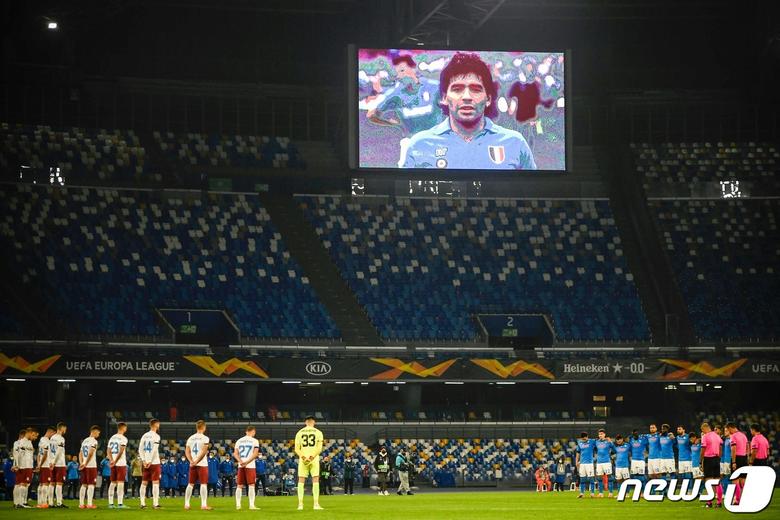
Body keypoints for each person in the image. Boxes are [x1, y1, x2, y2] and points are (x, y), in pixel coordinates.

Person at [401, 52, 536, 170]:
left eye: (476, 89)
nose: (466, 97)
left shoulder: (515, 143)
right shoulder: (420, 144)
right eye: (457, 89)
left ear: (488, 98)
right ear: (444, 97)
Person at [294, 415, 324, 510]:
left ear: (305, 422)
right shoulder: (318, 432)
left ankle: (300, 504)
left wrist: (303, 457)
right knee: (315, 480)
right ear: (314, 422)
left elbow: (296, 449)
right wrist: (311, 457)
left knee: (301, 480)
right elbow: (319, 449)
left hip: (303, 458)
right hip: (314, 458)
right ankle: (315, 504)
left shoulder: (299, 433)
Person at [184, 420, 212, 510]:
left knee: (190, 484)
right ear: (204, 428)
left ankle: (187, 504)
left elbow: (187, 451)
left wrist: (191, 461)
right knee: (203, 484)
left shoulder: (190, 438)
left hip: (192, 464)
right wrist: (197, 461)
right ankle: (203, 505)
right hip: (202, 464)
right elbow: (204, 451)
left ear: (196, 427)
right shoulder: (205, 438)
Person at [233, 425, 259, 510]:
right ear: (253, 431)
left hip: (241, 465)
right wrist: (247, 462)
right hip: (250, 465)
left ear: (246, 431)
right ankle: (251, 505)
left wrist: (240, 461)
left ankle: (238, 505)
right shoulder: (255, 441)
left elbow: (235, 453)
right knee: (251, 485)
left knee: (239, 485)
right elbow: (255, 454)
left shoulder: (239, 441)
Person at [139, 418, 162, 509]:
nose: (159, 425)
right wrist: (150, 461)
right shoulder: (156, 436)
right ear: (155, 425)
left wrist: (144, 460)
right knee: (155, 482)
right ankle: (155, 503)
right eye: (158, 424)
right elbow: (154, 449)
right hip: (154, 462)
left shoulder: (144, 435)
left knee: (144, 483)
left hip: (145, 462)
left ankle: (142, 503)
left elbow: (140, 449)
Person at [106, 422, 129, 508]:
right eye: (125, 428)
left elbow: (108, 450)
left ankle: (110, 503)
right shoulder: (123, 438)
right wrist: (115, 461)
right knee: (120, 483)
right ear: (123, 428)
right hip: (120, 463)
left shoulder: (112, 438)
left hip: (113, 463)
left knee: (112, 483)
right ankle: (120, 503)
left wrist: (111, 460)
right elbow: (121, 450)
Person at [700, 422, 723, 508]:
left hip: (708, 459)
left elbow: (703, 450)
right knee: (717, 481)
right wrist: (719, 458)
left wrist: (700, 461)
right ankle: (719, 502)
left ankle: (709, 503)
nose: (703, 432)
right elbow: (721, 447)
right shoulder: (717, 436)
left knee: (709, 481)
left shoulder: (705, 436)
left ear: (704, 428)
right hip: (717, 459)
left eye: (702, 430)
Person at [78, 425, 101, 509]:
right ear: (94, 431)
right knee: (91, 484)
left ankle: (81, 504)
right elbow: (91, 453)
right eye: (98, 432)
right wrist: (86, 463)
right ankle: (89, 504)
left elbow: (80, 453)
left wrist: (81, 463)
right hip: (91, 465)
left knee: (83, 484)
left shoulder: (84, 441)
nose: (98, 434)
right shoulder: (94, 441)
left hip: (84, 465)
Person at [13, 428, 35, 508]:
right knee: (21, 484)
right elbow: (17, 454)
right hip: (23, 466)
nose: (33, 437)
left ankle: (22, 502)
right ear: (28, 433)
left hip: (28, 465)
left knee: (25, 484)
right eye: (32, 434)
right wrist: (16, 465)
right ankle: (19, 502)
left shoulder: (29, 442)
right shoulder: (20, 442)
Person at [727, 422, 749, 505]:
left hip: (737, 458)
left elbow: (733, 449)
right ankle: (745, 499)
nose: (729, 432)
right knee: (743, 481)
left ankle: (737, 500)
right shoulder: (743, 435)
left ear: (730, 428)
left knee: (735, 480)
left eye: (728, 430)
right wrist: (746, 458)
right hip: (744, 458)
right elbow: (747, 447)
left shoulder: (733, 436)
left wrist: (734, 462)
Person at [49, 422, 68, 507]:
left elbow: (49, 451)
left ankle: (50, 503)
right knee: (59, 483)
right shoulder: (61, 438)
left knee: (52, 483)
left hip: (52, 463)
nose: (65, 430)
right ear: (62, 428)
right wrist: (54, 462)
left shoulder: (52, 438)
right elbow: (59, 452)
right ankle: (59, 503)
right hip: (59, 463)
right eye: (65, 429)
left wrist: (51, 462)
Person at [36, 426, 55, 508]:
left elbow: (38, 454)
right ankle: (44, 502)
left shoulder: (41, 440)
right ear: (50, 432)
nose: (53, 436)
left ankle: (39, 502)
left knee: (41, 483)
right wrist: (41, 464)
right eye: (53, 434)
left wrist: (38, 464)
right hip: (45, 465)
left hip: (42, 464)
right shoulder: (47, 441)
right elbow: (45, 454)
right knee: (46, 484)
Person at [594, 429, 614, 497]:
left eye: (602, 434)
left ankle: (611, 493)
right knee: (599, 478)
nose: (600, 435)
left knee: (609, 477)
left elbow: (614, 449)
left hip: (606, 462)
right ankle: (600, 493)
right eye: (599, 434)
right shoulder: (596, 442)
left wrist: (610, 441)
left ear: (604, 434)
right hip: (599, 462)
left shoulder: (608, 441)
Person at [575, 431, 595, 499]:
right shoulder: (580, 443)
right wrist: (576, 461)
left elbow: (599, 443)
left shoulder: (592, 441)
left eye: (584, 439)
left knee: (591, 478)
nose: (583, 440)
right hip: (582, 463)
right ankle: (582, 493)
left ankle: (592, 493)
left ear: (587, 437)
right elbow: (578, 452)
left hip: (589, 463)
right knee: (582, 479)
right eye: (582, 439)